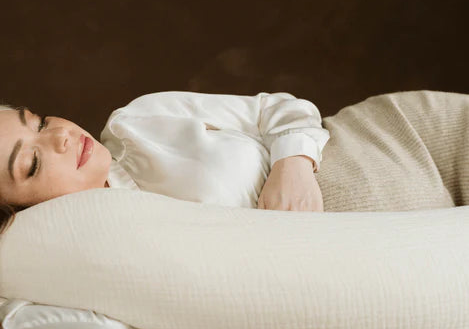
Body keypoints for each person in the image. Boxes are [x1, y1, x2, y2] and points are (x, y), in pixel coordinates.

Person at [0, 90, 330, 233]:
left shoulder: (135, 123)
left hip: (346, 157)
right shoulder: (110, 252)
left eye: (39, 123)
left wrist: (294, 166)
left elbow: (278, 108)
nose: (60, 135)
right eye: (32, 162)